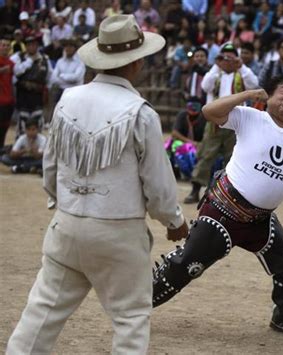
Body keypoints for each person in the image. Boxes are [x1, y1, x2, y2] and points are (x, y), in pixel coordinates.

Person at [6, 15, 188, 354]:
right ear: (135, 62)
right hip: (118, 231)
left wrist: (64, 203)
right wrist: (174, 221)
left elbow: (50, 165)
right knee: (130, 319)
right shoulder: (140, 112)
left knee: (41, 312)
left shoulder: (67, 99)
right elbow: (159, 186)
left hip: (68, 223)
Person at [152, 75, 283, 338]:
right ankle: (136, 305)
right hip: (222, 212)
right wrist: (248, 94)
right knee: (186, 265)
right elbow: (210, 112)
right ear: (267, 97)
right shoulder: (250, 117)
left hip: (261, 220)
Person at [184, 42, 258, 203]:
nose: (227, 60)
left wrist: (241, 66)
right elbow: (205, 86)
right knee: (206, 155)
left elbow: (254, 84)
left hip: (237, 122)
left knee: (232, 157)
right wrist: (216, 66)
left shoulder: (241, 74)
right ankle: (195, 189)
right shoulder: (215, 74)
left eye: (231, 56)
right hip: (215, 122)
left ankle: (229, 193)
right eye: (224, 56)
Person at [10, 35, 52, 137]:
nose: (32, 47)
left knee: (38, 121)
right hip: (23, 95)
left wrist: (46, 91)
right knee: (22, 122)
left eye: (34, 44)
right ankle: (21, 146)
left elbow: (50, 76)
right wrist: (29, 61)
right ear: (26, 46)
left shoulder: (45, 58)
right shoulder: (18, 57)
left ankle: (38, 148)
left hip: (37, 95)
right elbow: (16, 72)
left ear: (37, 46)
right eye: (29, 45)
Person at [49, 39, 86, 108]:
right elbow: (53, 78)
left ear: (75, 48)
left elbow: (76, 78)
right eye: (66, 46)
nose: (68, 48)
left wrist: (61, 75)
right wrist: (69, 80)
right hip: (61, 91)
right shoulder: (60, 61)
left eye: (70, 46)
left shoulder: (80, 62)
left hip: (75, 92)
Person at [0, 36, 14, 154]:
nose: (5, 47)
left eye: (7, 45)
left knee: (5, 126)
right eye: (3, 45)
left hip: (8, 100)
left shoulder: (12, 63)